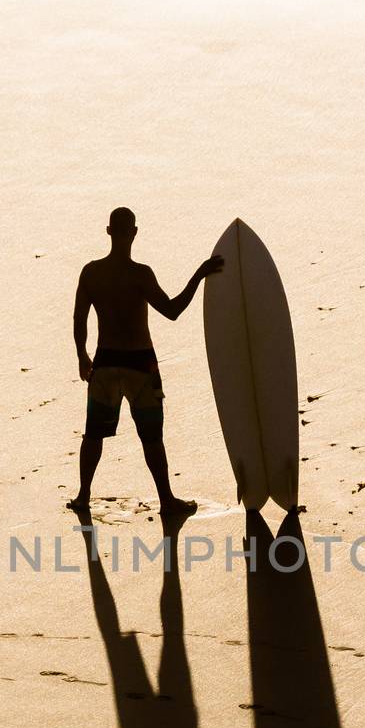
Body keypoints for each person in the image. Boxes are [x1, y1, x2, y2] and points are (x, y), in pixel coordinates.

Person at [68, 206, 223, 520]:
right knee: (152, 438)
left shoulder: (92, 272)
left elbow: (79, 317)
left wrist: (81, 355)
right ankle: (166, 500)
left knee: (93, 435)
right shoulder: (140, 274)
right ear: (134, 233)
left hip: (106, 361)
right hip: (141, 365)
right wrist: (200, 274)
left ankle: (83, 496)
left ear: (109, 231)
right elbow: (172, 310)